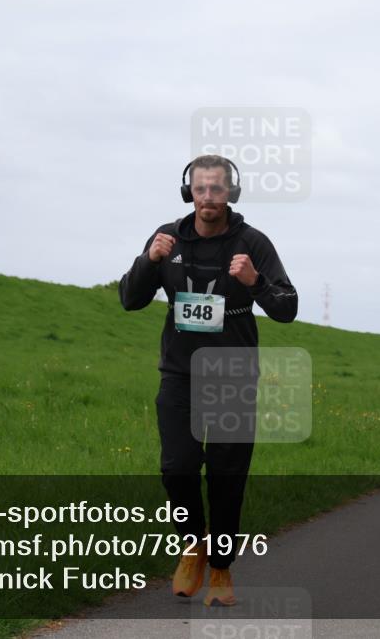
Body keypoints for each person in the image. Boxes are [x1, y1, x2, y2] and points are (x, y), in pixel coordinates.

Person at [119, 154, 298, 606]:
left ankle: (220, 569)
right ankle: (192, 543)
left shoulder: (252, 242)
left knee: (226, 475)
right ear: (189, 192)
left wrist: (255, 282)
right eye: (200, 189)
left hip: (233, 376)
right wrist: (148, 260)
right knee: (176, 468)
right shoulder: (167, 239)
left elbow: (287, 307)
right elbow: (129, 300)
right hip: (179, 374)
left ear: (230, 193)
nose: (208, 198)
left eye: (217, 189)